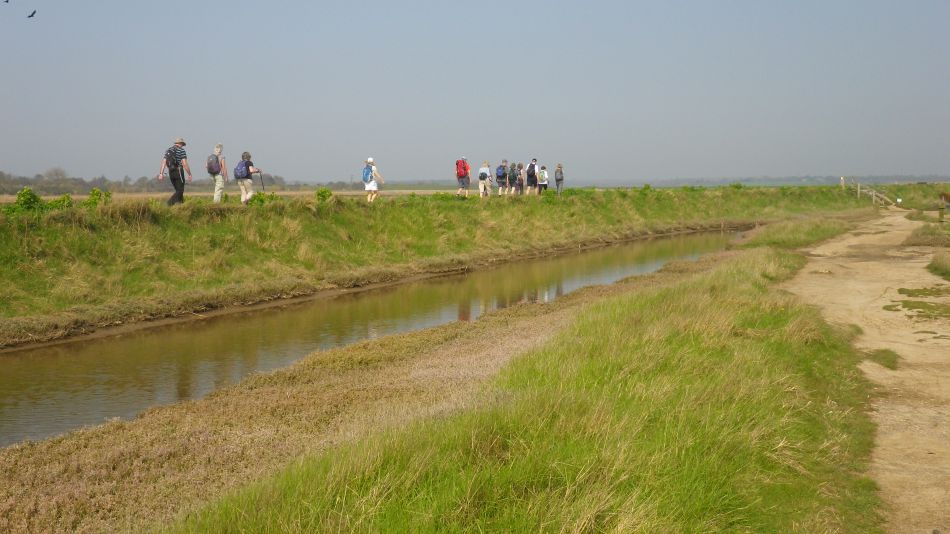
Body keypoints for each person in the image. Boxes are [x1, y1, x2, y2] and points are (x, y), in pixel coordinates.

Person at [157, 137, 193, 206]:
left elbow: (164, 162)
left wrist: (161, 173)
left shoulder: (168, 150)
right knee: (180, 191)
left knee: (178, 191)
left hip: (171, 172)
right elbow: (184, 163)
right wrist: (189, 174)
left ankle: (181, 206)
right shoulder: (181, 150)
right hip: (178, 171)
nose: (182, 146)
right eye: (182, 144)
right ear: (180, 143)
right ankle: (168, 204)